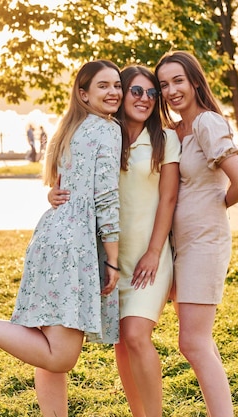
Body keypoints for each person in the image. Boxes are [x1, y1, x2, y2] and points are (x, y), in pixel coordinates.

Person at [0, 59, 124, 417]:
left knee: (46, 346)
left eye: (117, 85)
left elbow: (63, 187)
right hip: (73, 246)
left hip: (51, 236)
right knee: (61, 355)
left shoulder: (73, 127)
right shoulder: (107, 129)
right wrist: (112, 258)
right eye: (103, 86)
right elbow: (106, 198)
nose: (114, 92)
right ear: (83, 94)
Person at [50, 64, 180, 417]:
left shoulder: (166, 140)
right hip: (107, 258)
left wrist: (155, 253)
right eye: (136, 91)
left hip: (148, 258)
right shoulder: (104, 132)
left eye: (152, 94)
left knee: (137, 336)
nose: (145, 99)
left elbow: (168, 199)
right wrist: (53, 194)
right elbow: (74, 182)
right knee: (122, 343)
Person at [155, 50, 238, 417]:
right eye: (163, 84)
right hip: (179, 246)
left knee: (192, 343)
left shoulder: (207, 123)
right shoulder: (176, 130)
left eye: (178, 80)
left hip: (204, 245)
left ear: (195, 81)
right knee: (199, 342)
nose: (171, 90)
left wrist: (212, 208)